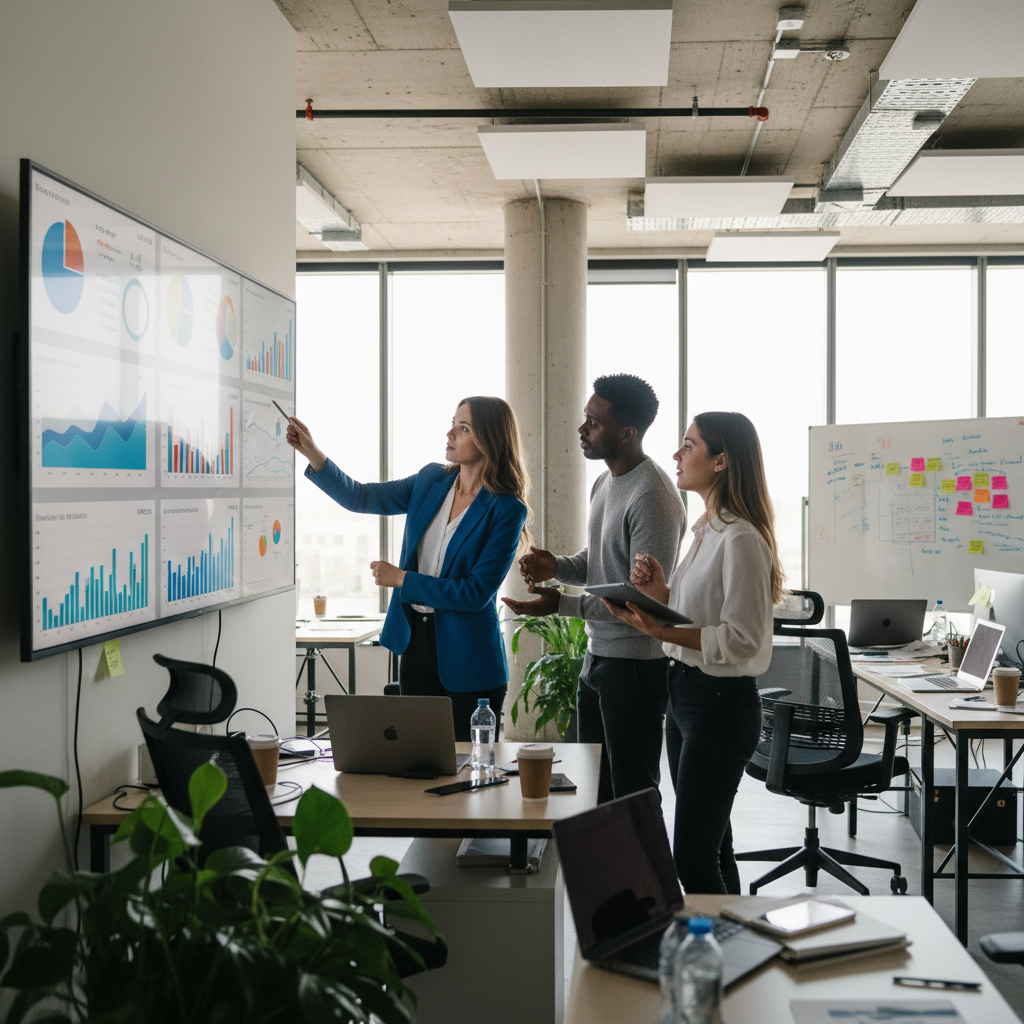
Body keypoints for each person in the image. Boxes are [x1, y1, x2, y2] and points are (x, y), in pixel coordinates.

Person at [602, 411, 785, 895]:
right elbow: (697, 616)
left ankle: (714, 956)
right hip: (685, 696)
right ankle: (730, 954)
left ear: (722, 461)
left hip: (721, 705)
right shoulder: (706, 530)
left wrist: (657, 625)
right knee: (714, 848)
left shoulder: (742, 538)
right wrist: (661, 597)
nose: (677, 455)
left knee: (692, 856)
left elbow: (741, 640)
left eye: (689, 445)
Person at [286, 397, 531, 741]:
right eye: (453, 423)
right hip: (415, 643)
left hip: (470, 660)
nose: (450, 433)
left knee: (468, 770)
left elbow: (475, 594)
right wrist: (313, 453)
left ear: (490, 439)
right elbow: (362, 497)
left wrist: (402, 579)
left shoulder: (506, 509)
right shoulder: (431, 480)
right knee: (418, 759)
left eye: (463, 428)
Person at [502, 374, 686, 804]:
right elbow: (599, 564)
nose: (582, 429)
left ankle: (641, 873)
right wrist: (557, 566)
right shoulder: (606, 482)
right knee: (599, 791)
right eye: (585, 418)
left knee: (632, 792)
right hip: (599, 659)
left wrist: (561, 605)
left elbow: (638, 603)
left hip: (636, 670)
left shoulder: (652, 497)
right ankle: (607, 873)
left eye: (594, 422)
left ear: (627, 433)